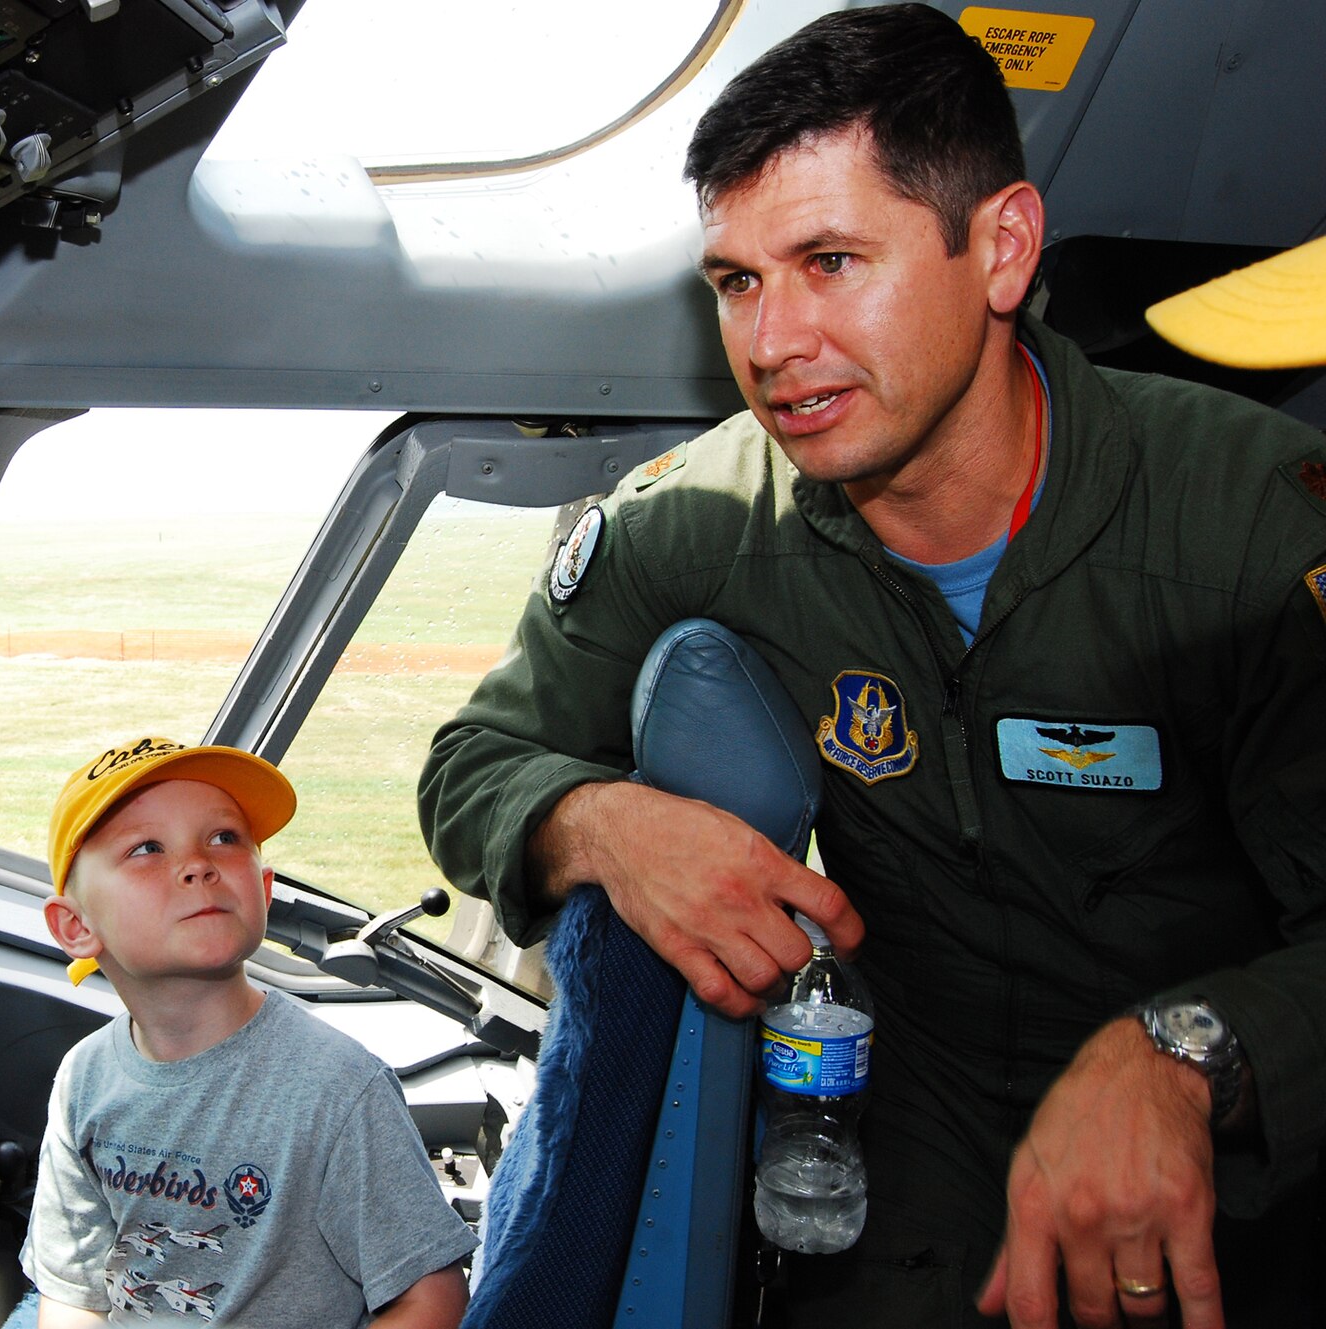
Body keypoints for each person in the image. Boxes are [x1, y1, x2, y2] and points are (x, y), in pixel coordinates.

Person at [418, 6, 1326, 1327]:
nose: (773, 343)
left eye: (831, 260)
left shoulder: (1248, 523)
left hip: (1239, 1192)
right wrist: (598, 822)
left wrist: (1188, 1053)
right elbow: (471, 765)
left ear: (1000, 247)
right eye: (736, 280)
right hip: (904, 1177)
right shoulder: (700, 520)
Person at [23, 736, 476, 1328]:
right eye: (147, 848)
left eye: (224, 838)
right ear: (76, 926)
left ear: (262, 891)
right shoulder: (84, 1080)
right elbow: (74, 1293)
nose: (198, 864)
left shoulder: (337, 1087)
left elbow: (431, 1299)